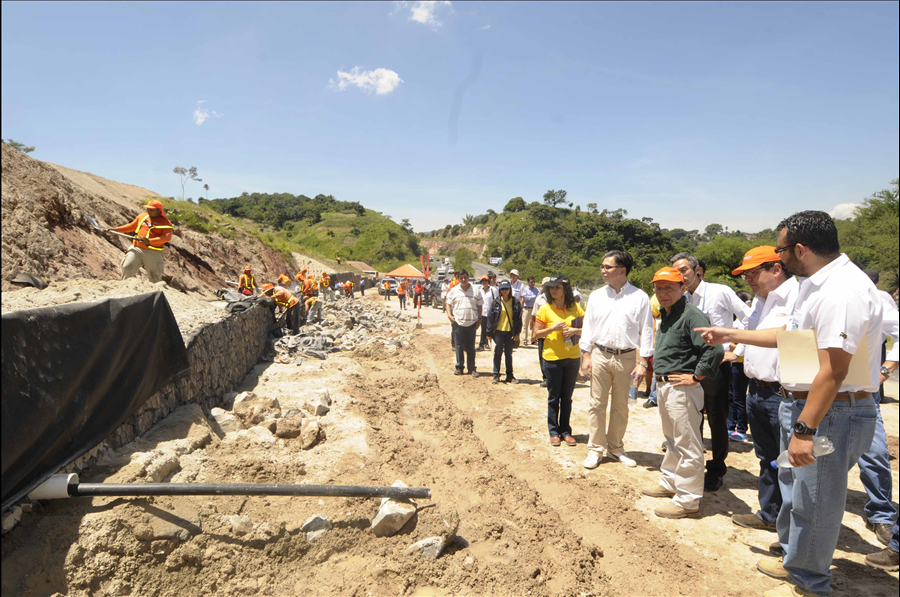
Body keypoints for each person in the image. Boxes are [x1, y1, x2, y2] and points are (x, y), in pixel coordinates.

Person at [696, 211, 881, 597]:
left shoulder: (841, 291)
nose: (779, 258)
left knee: (817, 499)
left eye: (781, 250)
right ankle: (796, 560)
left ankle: (809, 582)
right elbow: (790, 335)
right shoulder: (815, 284)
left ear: (800, 248)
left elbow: (833, 370)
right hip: (803, 404)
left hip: (830, 411)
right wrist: (732, 332)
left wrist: (805, 429)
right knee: (797, 490)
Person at [725, 247, 799, 532]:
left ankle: (791, 534)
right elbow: (752, 331)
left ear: (776, 268)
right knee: (767, 457)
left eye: (753, 273)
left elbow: (785, 338)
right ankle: (769, 514)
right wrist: (735, 352)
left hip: (782, 393)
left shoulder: (797, 297)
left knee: (789, 464)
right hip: (756, 391)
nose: (748, 280)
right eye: (744, 275)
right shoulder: (760, 300)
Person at [640, 267, 723, 519]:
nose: (662, 293)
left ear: (682, 288)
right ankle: (670, 483)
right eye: (658, 288)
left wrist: (696, 375)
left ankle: (687, 500)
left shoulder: (692, 315)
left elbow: (715, 349)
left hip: (682, 387)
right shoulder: (667, 315)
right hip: (666, 385)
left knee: (687, 443)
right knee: (673, 440)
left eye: (668, 288)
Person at [671, 251, 751, 492]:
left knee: (717, 418)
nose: (681, 275)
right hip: (690, 365)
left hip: (716, 364)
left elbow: (750, 318)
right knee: (690, 417)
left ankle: (716, 469)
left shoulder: (720, 291)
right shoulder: (681, 298)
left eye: (684, 270)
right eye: (676, 272)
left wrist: (737, 352)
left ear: (697, 270)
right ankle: (692, 465)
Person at [579, 250, 654, 469]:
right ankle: (595, 449)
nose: (602, 270)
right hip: (600, 355)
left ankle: (616, 448)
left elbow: (647, 331)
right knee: (596, 404)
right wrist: (586, 354)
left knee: (621, 406)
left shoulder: (639, 297)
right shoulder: (596, 296)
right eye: (602, 266)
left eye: (607, 267)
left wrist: (642, 362)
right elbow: (588, 327)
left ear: (622, 270)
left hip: (627, 358)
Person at [856, 269, 900, 546]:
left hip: (862, 390)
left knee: (874, 452)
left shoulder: (875, 297)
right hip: (818, 388)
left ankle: (881, 514)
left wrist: (886, 370)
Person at [534, 274, 584, 447]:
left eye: (557, 287)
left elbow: (586, 330)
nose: (553, 290)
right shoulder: (545, 309)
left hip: (572, 358)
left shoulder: (576, 308)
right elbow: (535, 334)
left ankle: (566, 431)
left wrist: (574, 331)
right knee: (554, 397)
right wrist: (552, 328)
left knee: (567, 397)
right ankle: (553, 431)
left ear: (565, 289)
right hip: (552, 358)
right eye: (551, 288)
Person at [108, 199, 174, 283]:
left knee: (155, 277)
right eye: (148, 209)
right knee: (128, 266)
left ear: (159, 211)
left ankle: (154, 294)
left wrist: (149, 241)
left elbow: (167, 238)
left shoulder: (166, 223)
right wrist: (116, 229)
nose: (149, 211)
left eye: (152, 209)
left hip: (154, 252)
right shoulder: (142, 217)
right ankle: (125, 287)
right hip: (137, 249)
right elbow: (131, 226)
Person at [445, 269, 483, 376]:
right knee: (459, 346)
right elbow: (448, 302)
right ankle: (459, 367)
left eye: (465, 277)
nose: (463, 279)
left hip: (472, 324)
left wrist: (479, 319)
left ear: (468, 277)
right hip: (458, 323)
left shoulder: (476, 290)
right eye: (461, 278)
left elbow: (480, 305)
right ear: (458, 279)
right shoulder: (454, 290)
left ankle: (472, 368)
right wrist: (449, 315)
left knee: (471, 347)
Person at [727, 290, 753, 442]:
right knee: (731, 397)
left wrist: (731, 344)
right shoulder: (735, 323)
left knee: (739, 397)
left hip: (741, 365)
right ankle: (731, 426)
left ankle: (741, 428)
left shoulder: (744, 323)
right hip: (733, 364)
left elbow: (737, 343)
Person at [486, 280, 523, 384]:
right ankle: (496, 374)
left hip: (510, 333)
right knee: (497, 354)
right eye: (502, 289)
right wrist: (488, 333)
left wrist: (517, 333)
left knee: (508, 354)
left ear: (510, 289)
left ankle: (509, 376)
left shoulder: (515, 302)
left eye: (506, 288)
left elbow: (519, 319)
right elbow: (490, 318)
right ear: (500, 290)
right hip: (498, 332)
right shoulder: (496, 302)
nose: (504, 290)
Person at [533, 277, 551, 387]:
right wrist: (534, 331)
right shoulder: (539, 299)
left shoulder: (555, 299)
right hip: (541, 332)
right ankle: (545, 378)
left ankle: (552, 378)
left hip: (552, 333)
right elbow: (534, 315)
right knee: (542, 356)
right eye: (545, 285)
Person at [478, 275, 498, 351]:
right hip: (483, 313)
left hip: (491, 313)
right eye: (482, 280)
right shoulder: (480, 290)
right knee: (483, 329)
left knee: (491, 329)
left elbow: (497, 301)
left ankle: (490, 344)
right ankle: (482, 344)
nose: (484, 282)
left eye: (485, 280)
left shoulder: (493, 290)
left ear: (488, 281)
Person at [521, 276, 541, 344]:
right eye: (531, 282)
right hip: (526, 308)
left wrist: (532, 298)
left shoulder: (537, 290)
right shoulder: (524, 289)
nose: (533, 283)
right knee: (525, 324)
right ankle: (525, 339)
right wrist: (533, 297)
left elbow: (538, 298)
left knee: (534, 324)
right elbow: (525, 298)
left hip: (534, 309)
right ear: (528, 282)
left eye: (534, 282)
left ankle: (533, 339)